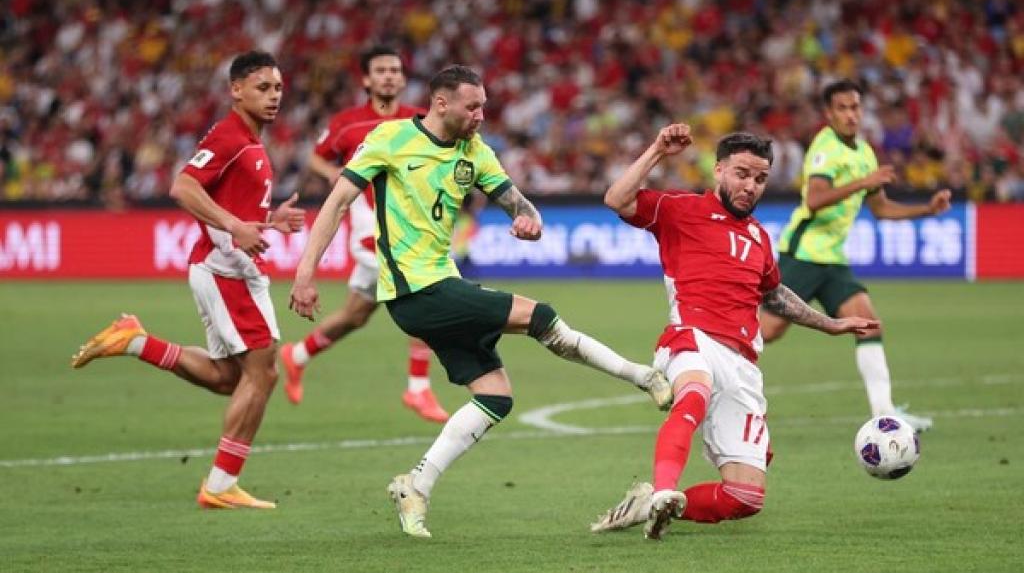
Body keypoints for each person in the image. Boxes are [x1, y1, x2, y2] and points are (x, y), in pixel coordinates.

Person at [289, 65, 673, 538]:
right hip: (415, 289)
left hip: (439, 286)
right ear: (441, 103)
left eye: (484, 106)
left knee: (495, 396)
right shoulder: (389, 139)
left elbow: (518, 203)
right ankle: (643, 376)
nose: (480, 115)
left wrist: (528, 219)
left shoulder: (475, 153)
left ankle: (417, 485)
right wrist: (305, 273)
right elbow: (337, 202)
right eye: (473, 106)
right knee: (543, 318)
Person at [590, 126, 878, 540]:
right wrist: (656, 150)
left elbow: (774, 295)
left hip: (742, 364)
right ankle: (666, 486)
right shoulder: (680, 210)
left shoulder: (759, 237)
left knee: (745, 497)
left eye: (760, 179)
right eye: (742, 174)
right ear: (719, 170)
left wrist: (830, 324)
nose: (750, 186)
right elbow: (616, 199)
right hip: (691, 339)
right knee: (693, 391)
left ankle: (655, 502)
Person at [71, 50, 304, 509]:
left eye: (278, 88)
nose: (274, 96)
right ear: (236, 90)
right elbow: (183, 187)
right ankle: (220, 486)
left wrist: (266, 220)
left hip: (223, 267)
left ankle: (135, 341)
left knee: (228, 378)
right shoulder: (230, 136)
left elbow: (229, 207)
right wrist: (236, 228)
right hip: (227, 270)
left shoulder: (249, 142)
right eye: (263, 87)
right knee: (264, 371)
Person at [761, 79, 951, 432]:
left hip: (832, 259)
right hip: (802, 254)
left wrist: (927, 208)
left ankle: (885, 414)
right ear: (829, 113)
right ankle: (706, 371)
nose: (851, 115)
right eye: (843, 108)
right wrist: (861, 184)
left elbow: (880, 209)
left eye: (855, 107)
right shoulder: (825, 147)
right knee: (766, 331)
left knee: (867, 323)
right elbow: (814, 199)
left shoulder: (865, 153)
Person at [278, 46, 450, 422]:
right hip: (370, 233)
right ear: (367, 80)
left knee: (355, 316)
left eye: (394, 70)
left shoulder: (420, 121)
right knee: (425, 287)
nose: (388, 76)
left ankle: (298, 354)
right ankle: (418, 387)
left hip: (406, 227)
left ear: (403, 79)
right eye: (381, 70)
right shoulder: (347, 122)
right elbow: (317, 156)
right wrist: (331, 175)